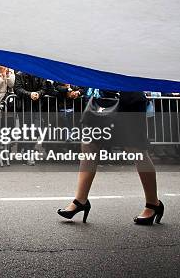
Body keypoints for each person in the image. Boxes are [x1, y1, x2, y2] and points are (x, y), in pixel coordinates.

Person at [57, 91, 164, 225]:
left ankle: (153, 204)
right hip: (101, 99)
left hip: (129, 97)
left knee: (136, 149)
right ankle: (80, 200)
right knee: (89, 146)